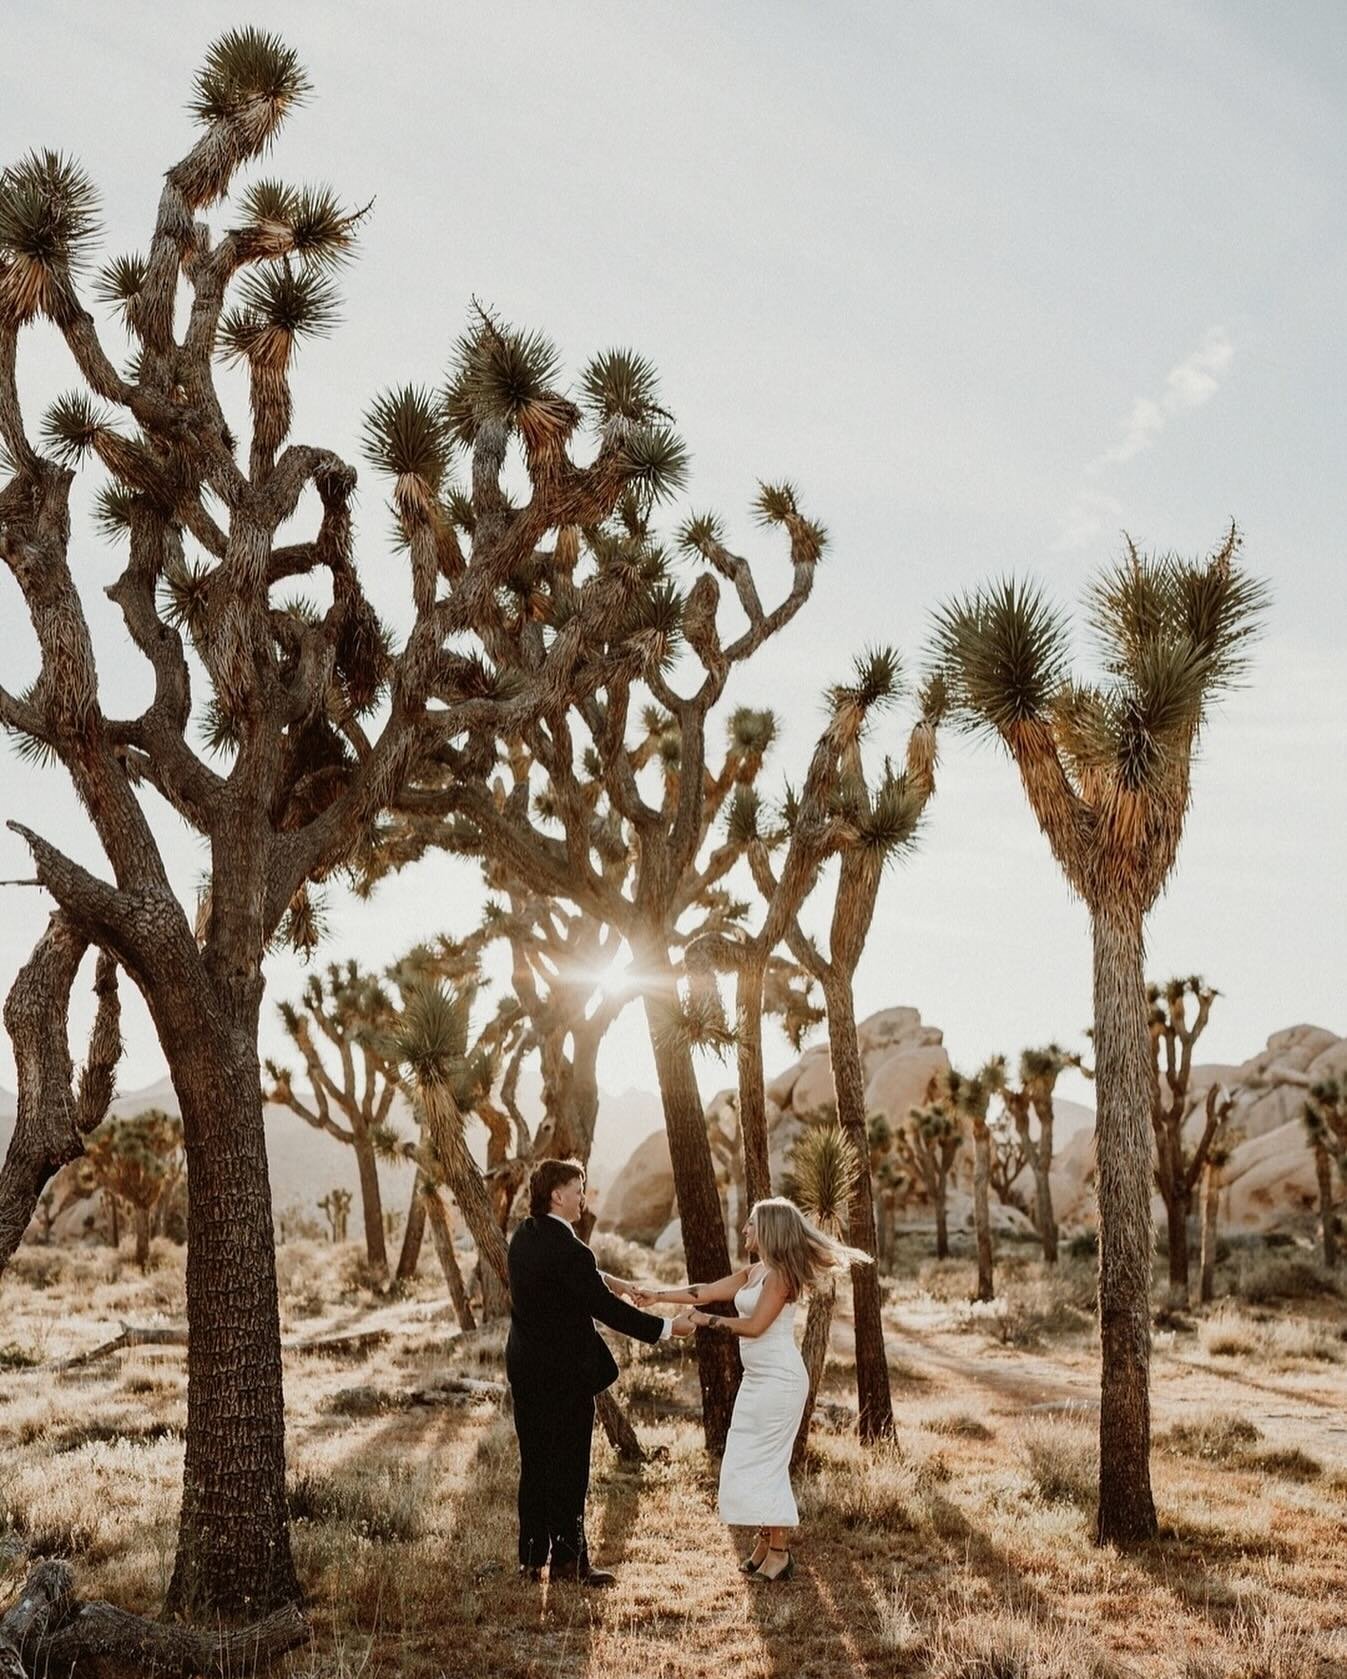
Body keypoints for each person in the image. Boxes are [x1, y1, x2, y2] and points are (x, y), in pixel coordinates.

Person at [633, 1196, 871, 1582]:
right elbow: (704, 1290)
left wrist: (706, 1321)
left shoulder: (781, 1277)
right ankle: (764, 1543)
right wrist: (657, 1296)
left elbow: (755, 1326)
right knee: (748, 1458)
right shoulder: (756, 1271)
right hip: (758, 1379)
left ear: (769, 1230)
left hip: (780, 1380)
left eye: (751, 1225)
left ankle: (778, 1553)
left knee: (767, 1463)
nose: (745, 1230)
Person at [506, 1156, 695, 1586]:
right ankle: (571, 1563)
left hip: (526, 1368)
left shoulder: (525, 1236)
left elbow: (573, 1273)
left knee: (535, 1463)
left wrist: (615, 1280)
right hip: (565, 1377)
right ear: (557, 1195)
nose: (583, 1198)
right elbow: (606, 1310)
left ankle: (532, 1560)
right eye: (578, 1189)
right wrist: (668, 1328)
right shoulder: (573, 1251)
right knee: (570, 1469)